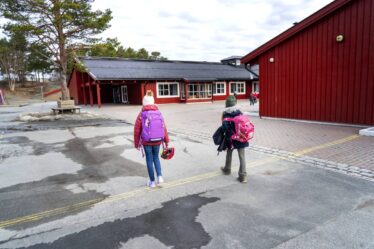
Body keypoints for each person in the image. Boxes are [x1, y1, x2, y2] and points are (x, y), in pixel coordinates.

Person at [134, 90, 169, 188]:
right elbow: (164, 127)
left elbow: (137, 129)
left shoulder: (142, 114)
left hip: (146, 141)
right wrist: (166, 141)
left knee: (149, 159)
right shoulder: (158, 113)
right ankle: (160, 176)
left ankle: (152, 182)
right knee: (156, 157)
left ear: (144, 103)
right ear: (153, 102)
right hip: (158, 140)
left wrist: (136, 144)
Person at [220, 95, 249, 183]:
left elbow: (224, 127)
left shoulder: (226, 114)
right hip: (241, 137)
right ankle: (243, 176)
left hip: (231, 138)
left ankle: (227, 169)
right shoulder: (239, 112)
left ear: (227, 104)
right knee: (242, 156)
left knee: (229, 153)